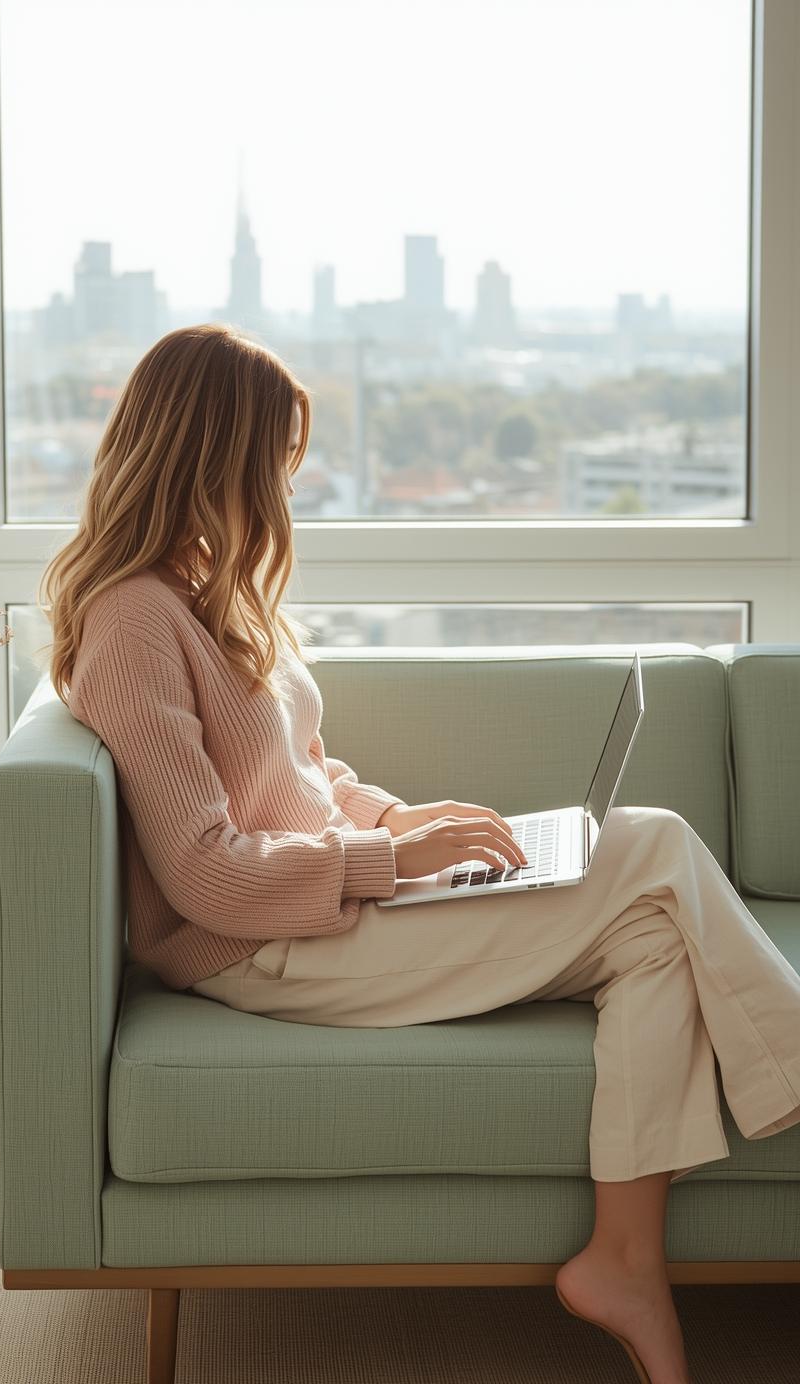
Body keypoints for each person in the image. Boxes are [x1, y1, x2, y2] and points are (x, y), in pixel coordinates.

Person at [40, 322, 800, 1384]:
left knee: (646, 930)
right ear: (211, 459)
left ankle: (622, 1261)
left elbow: (306, 774)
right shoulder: (132, 621)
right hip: (263, 945)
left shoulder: (212, 598)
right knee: (652, 844)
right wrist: (391, 866)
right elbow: (204, 872)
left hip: (334, 899)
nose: (283, 489)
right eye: (273, 463)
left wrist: (401, 821)